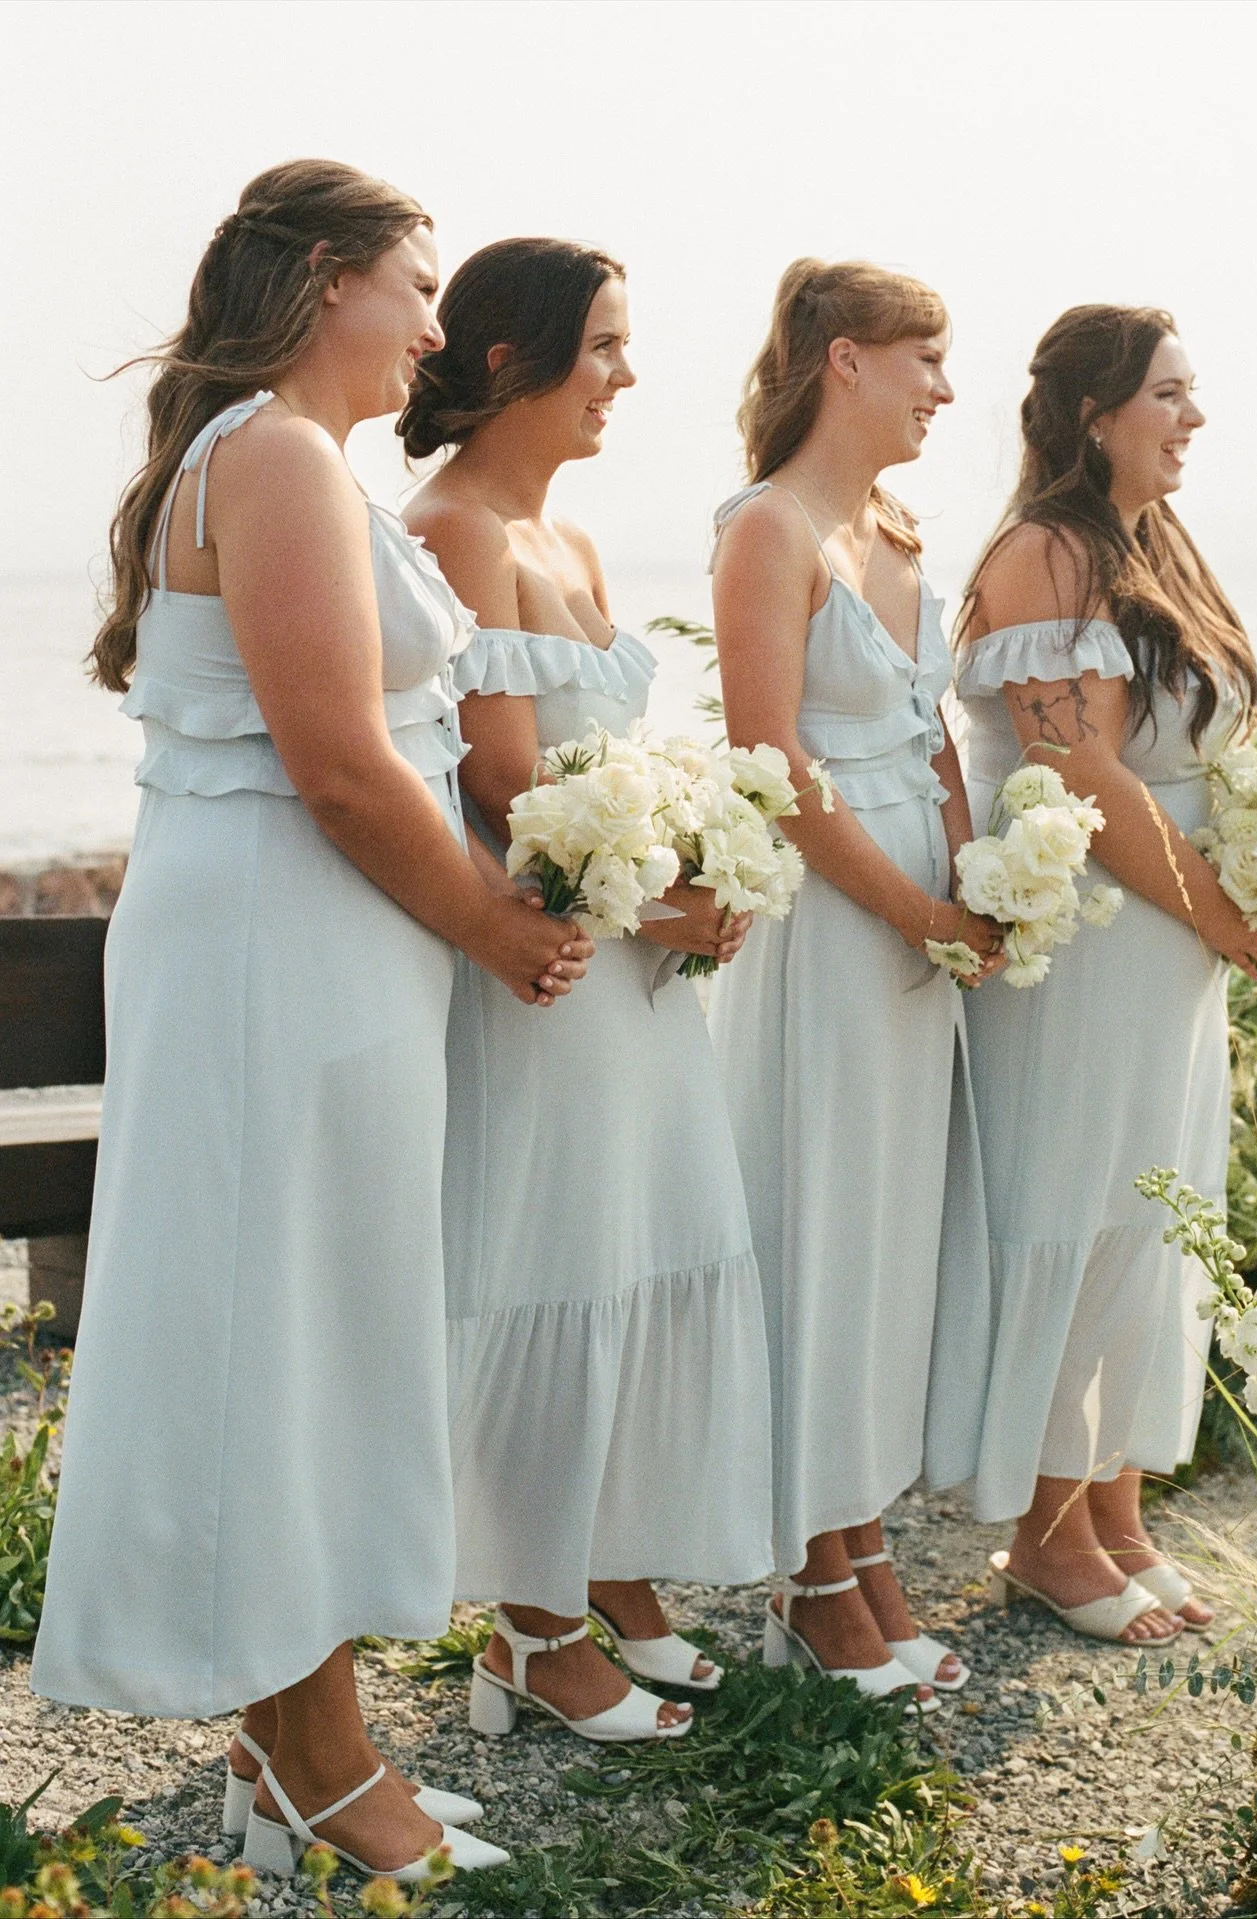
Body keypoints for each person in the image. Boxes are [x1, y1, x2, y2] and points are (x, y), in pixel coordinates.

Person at [30, 161, 592, 1878]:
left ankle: (293, 1755)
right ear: (325, 280)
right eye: (416, 284)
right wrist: (499, 924)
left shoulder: (291, 461)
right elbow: (340, 765)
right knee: (280, 1335)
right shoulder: (271, 455)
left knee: (315, 1323)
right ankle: (325, 1760)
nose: (437, 323)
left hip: (312, 944)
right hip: (280, 939)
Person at [399, 238, 773, 1743]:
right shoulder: (453, 532)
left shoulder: (580, 546)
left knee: (643, 1245)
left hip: (630, 958)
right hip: (543, 964)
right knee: (551, 1260)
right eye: (606, 347)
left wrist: (705, 869)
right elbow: (497, 781)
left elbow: (609, 766)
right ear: (511, 363)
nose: (628, 375)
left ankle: (608, 1570)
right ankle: (528, 1623)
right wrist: (643, 892)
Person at [953, 304, 1257, 1645]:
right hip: (1093, 925)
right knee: (1081, 1203)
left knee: (1157, 1210)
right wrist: (1213, 905)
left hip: (1173, 937)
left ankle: (1115, 1501)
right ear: (1095, 410)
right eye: (1170, 393)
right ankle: (1043, 1529)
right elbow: (1076, 765)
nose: (1193, 416)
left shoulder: (1161, 548)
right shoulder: (1042, 552)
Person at [707, 258, 1001, 1707]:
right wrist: (909, 908)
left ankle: (866, 1545)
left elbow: (929, 723)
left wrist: (980, 878)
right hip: (833, 919)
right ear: (845, 362)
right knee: (822, 1223)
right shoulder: (770, 531)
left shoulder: (891, 522)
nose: (946, 390)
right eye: (925, 360)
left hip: (919, 909)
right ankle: (815, 1578)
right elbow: (772, 764)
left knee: (889, 1233)